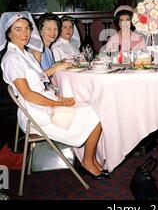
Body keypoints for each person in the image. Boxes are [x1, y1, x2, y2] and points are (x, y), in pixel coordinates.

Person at [0, 12, 107, 179]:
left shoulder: (25, 54)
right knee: (96, 115)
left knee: (95, 108)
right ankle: (87, 161)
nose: (25, 33)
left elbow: (41, 78)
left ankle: (90, 160)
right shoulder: (11, 59)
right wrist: (57, 104)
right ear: (8, 33)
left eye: (27, 28)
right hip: (35, 114)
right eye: (18, 29)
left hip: (44, 104)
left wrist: (59, 98)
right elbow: (28, 94)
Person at [31, 12, 70, 79]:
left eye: (55, 29)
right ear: (40, 31)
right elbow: (35, 78)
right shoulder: (37, 51)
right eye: (49, 29)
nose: (53, 32)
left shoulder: (48, 50)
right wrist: (56, 68)